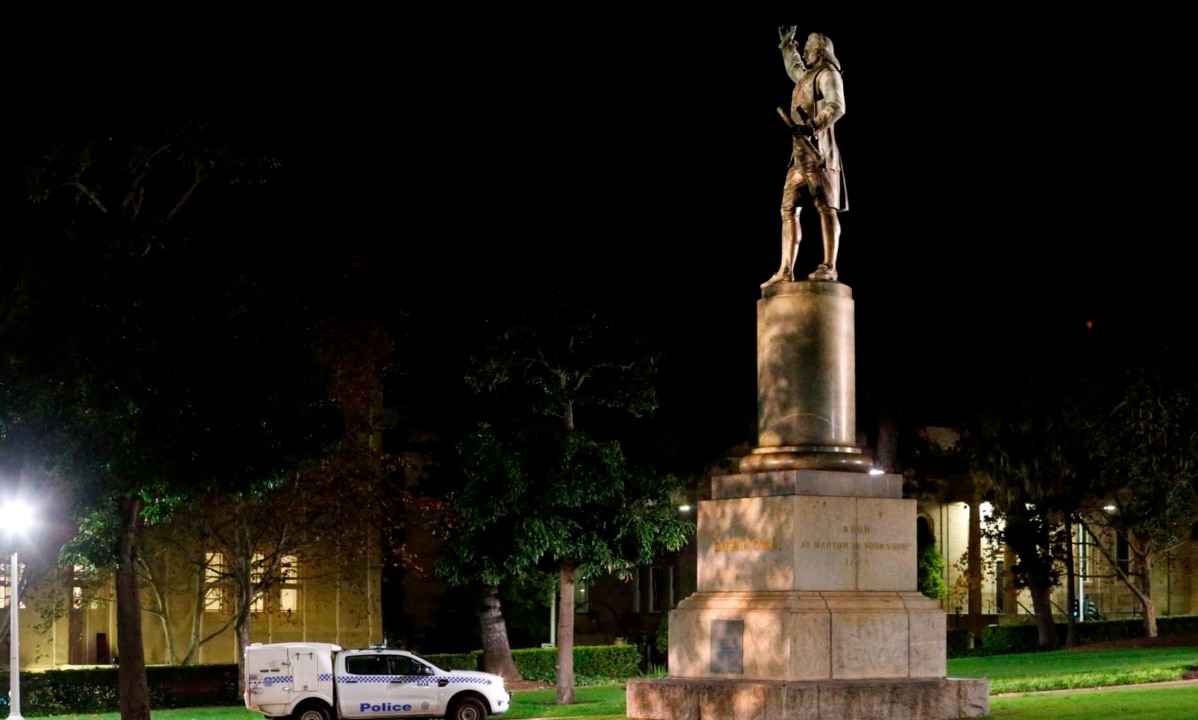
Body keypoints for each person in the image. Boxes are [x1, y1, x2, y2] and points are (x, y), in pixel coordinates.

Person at [763, 28, 848, 287]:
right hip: (799, 156)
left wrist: (813, 125)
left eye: (808, 49)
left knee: (824, 206)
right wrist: (787, 46)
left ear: (820, 52)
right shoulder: (807, 77)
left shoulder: (828, 75)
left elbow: (837, 106)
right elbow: (795, 69)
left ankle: (829, 266)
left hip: (818, 152)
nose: (805, 53)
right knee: (788, 208)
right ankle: (786, 269)